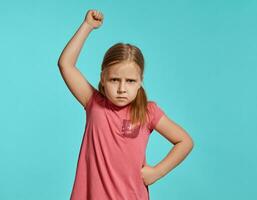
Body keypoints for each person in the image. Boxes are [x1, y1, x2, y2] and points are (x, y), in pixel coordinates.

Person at [57, 9, 194, 200]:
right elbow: (66, 64)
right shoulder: (94, 103)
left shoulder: (148, 112)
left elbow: (185, 141)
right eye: (114, 80)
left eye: (130, 81)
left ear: (140, 81)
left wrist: (157, 172)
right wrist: (87, 26)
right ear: (103, 78)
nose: (122, 88)